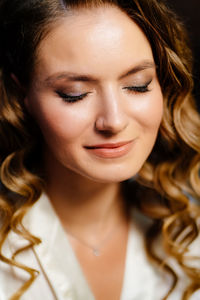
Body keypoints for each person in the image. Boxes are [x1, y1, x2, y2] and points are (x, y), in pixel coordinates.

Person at [0, 0, 199, 299]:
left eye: (138, 85)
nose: (114, 121)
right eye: (74, 94)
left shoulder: (190, 225)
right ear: (22, 95)